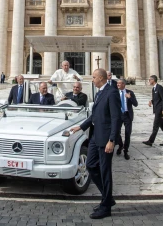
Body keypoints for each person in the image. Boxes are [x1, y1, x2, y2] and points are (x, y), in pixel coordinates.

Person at [70, 69, 120, 219]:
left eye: (93, 77)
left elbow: (116, 118)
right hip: (95, 137)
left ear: (101, 78)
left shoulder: (112, 92)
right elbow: (95, 114)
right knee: (90, 165)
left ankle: (106, 206)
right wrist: (81, 126)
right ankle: (108, 198)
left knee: (105, 172)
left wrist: (112, 140)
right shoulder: (99, 92)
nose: (92, 79)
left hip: (105, 139)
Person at [143, 75, 163, 147]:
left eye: (149, 80)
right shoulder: (154, 89)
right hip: (157, 108)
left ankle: (150, 141)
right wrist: (151, 101)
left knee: (156, 126)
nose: (149, 81)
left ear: (153, 80)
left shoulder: (159, 88)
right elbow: (156, 98)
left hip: (160, 110)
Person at [115, 78, 138, 160]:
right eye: (117, 83)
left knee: (127, 133)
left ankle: (126, 150)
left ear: (124, 84)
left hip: (127, 115)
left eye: (119, 83)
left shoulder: (130, 92)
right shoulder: (115, 93)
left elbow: (136, 104)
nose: (117, 85)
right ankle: (120, 145)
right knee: (116, 132)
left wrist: (130, 98)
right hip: (118, 115)